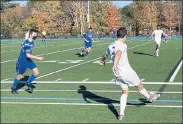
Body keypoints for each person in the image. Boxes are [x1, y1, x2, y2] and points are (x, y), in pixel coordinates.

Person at [99, 27, 160, 120]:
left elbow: (105, 54)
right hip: (127, 72)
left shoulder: (111, 45)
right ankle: (149, 97)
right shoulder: (122, 45)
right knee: (139, 85)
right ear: (124, 36)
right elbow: (118, 53)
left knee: (125, 92)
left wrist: (102, 60)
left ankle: (121, 114)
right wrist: (115, 65)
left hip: (118, 75)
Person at [11, 29, 44, 94]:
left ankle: (28, 83)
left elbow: (24, 45)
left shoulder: (31, 42)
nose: (36, 36)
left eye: (36, 35)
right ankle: (13, 87)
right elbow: (28, 55)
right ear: (30, 35)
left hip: (28, 60)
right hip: (22, 61)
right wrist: (38, 58)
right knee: (20, 76)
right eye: (34, 35)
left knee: (36, 72)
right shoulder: (28, 44)